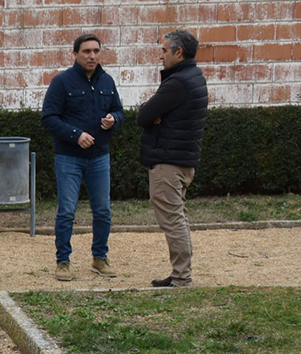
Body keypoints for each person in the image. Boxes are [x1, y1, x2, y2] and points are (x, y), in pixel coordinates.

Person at [40, 33, 124, 281]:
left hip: (99, 157)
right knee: (66, 211)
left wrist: (114, 120)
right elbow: (48, 118)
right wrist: (76, 135)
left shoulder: (107, 81)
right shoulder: (62, 82)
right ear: (75, 53)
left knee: (103, 210)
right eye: (87, 51)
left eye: (96, 51)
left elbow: (119, 110)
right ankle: (63, 261)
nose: (92, 56)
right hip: (69, 157)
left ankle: (99, 258)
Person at [136, 29, 208, 288]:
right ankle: (180, 274)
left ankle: (181, 277)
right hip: (181, 160)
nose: (161, 56)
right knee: (178, 217)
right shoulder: (193, 76)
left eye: (165, 51)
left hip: (169, 162)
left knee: (173, 220)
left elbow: (143, 115)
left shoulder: (178, 82)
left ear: (178, 52)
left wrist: (153, 116)